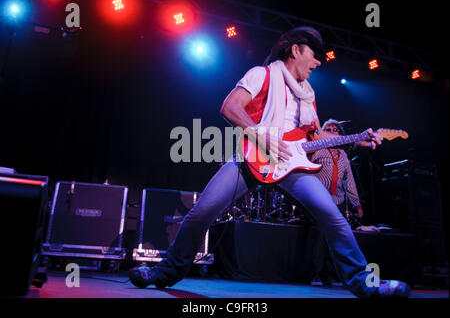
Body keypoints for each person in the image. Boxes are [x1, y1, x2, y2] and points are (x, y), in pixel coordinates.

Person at [129, 26, 411, 297]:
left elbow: (313, 134)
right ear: (295, 49)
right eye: (314, 55)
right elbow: (230, 107)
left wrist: (355, 139)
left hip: (291, 165)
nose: (318, 63)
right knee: (201, 212)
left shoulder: (308, 95)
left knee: (333, 217)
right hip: (252, 158)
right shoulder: (260, 75)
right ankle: (164, 274)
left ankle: (364, 283)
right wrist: (261, 136)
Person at [309, 119, 363, 287]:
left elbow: (350, 181)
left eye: (336, 130)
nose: (332, 131)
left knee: (335, 238)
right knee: (319, 238)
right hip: (319, 199)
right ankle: (317, 274)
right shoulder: (317, 149)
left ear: (341, 135)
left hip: (337, 201)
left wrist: (357, 204)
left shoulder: (343, 155)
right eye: (328, 129)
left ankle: (332, 275)